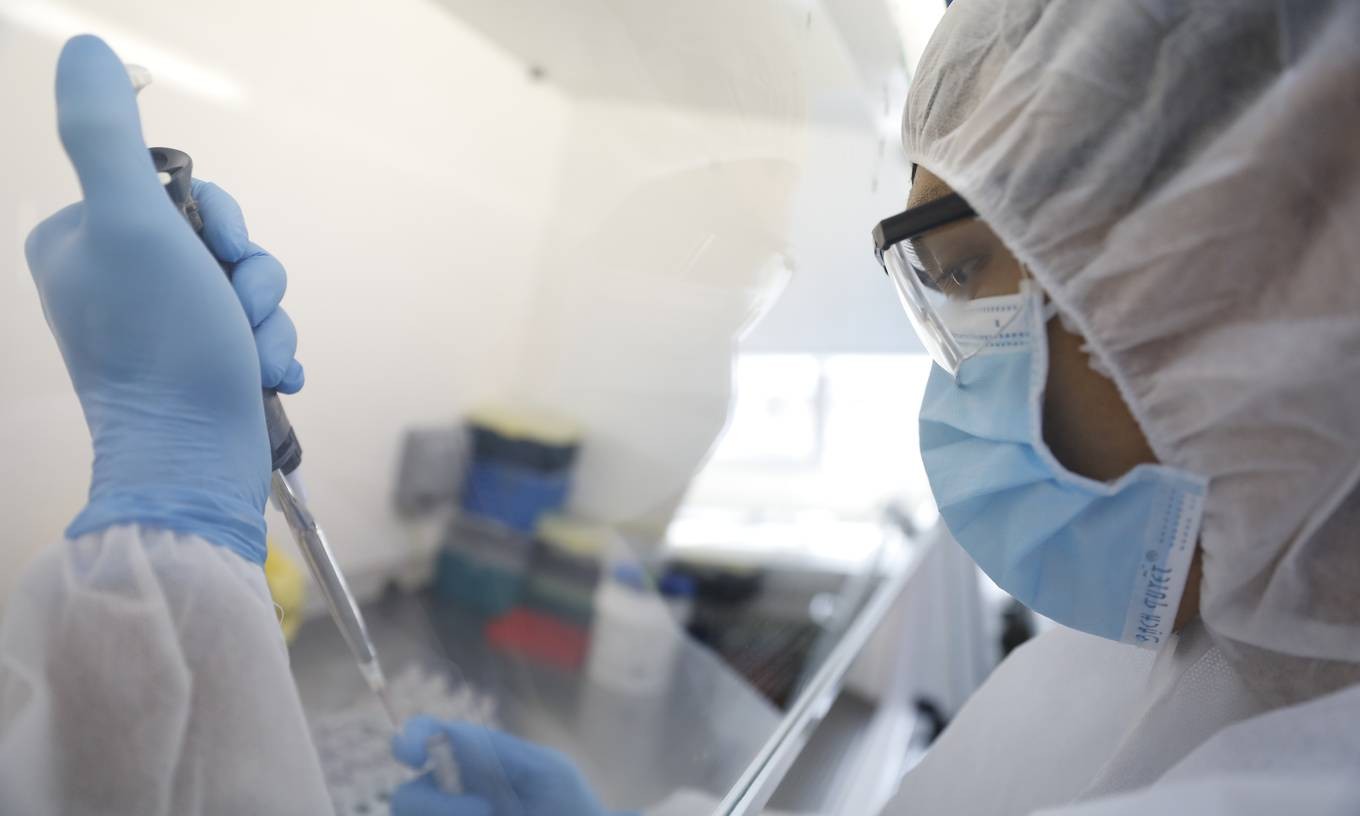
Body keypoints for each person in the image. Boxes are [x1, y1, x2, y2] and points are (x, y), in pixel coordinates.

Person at [3, 0, 1360, 810]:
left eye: (964, 274)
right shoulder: (1202, 642)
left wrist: (168, 516)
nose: (960, 370)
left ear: (1246, 293)